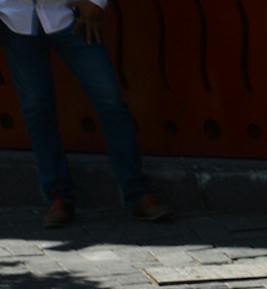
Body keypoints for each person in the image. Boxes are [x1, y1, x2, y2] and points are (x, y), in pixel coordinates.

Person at [1, 0, 173, 227]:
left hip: (70, 14)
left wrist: (97, 1)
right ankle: (58, 197)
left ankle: (137, 192)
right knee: (36, 109)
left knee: (110, 100)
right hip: (15, 19)